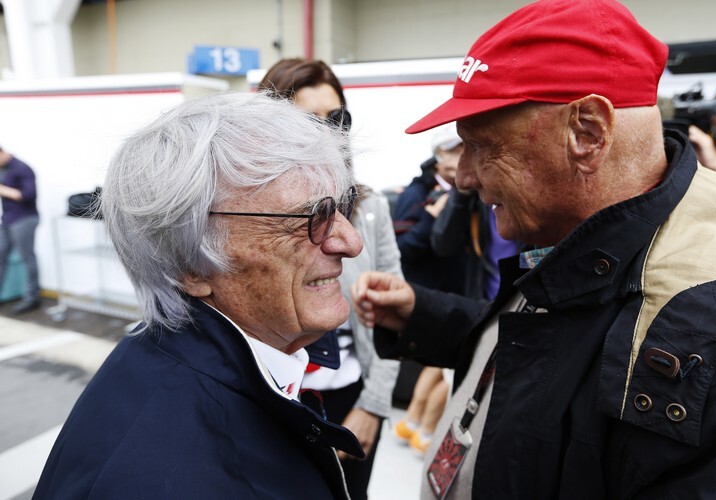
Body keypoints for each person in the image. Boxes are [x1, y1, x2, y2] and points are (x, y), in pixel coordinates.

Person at [352, 0, 716, 498]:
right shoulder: (598, 233)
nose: (464, 177)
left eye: (482, 145)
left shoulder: (714, 331)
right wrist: (424, 315)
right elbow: (564, 350)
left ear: (588, 132)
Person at [33, 93, 366, 499]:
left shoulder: (197, 364)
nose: (350, 241)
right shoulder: (159, 479)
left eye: (343, 206)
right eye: (311, 217)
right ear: (189, 265)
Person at [257, 58, 401, 500]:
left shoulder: (369, 208)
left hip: (348, 398)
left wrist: (372, 407)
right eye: (307, 120)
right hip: (274, 400)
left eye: (336, 118)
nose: (327, 133)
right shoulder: (248, 216)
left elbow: (393, 313)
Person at [392, 123, 465, 295]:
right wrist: (430, 217)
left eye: (466, 148)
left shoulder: (471, 192)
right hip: (426, 296)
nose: (461, 157)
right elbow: (400, 250)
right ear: (438, 157)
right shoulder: (416, 194)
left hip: (461, 297)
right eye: (453, 151)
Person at [431, 189, 523, 300]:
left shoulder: (528, 195)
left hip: (528, 298)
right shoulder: (474, 199)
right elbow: (442, 245)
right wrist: (461, 195)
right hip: (487, 300)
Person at [0, 146, 41, 314]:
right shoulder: (3, 169)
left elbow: (29, 195)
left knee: (27, 258)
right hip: (7, 219)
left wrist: (3, 190)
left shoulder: (22, 168)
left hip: (24, 219)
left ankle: (32, 298)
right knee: (1, 257)